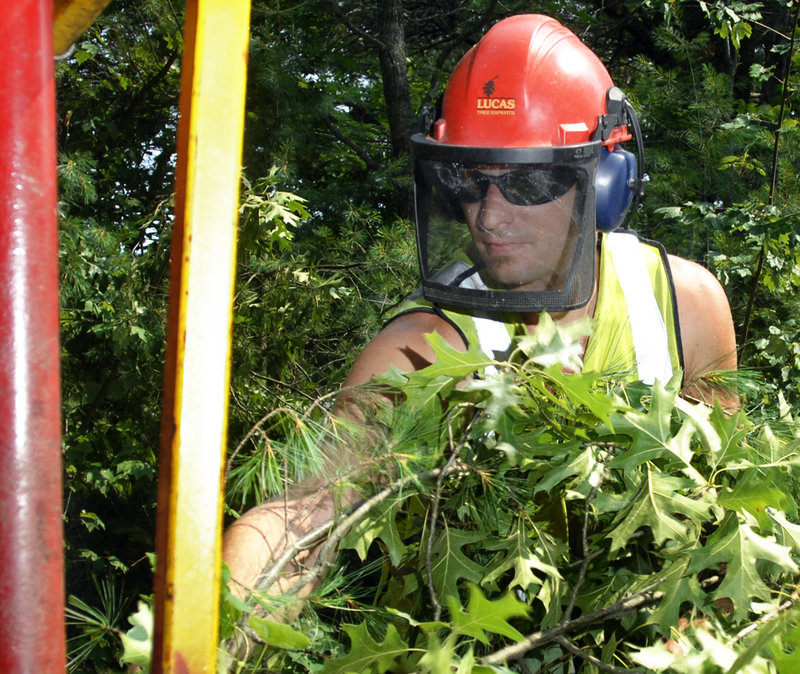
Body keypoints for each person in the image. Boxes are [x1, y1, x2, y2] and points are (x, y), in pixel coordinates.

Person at [222, 13, 737, 605]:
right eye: (470, 180)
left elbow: (723, 512)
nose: (489, 216)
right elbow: (307, 512)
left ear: (603, 182)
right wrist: (225, 600)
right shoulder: (421, 347)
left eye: (526, 183)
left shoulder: (683, 309)